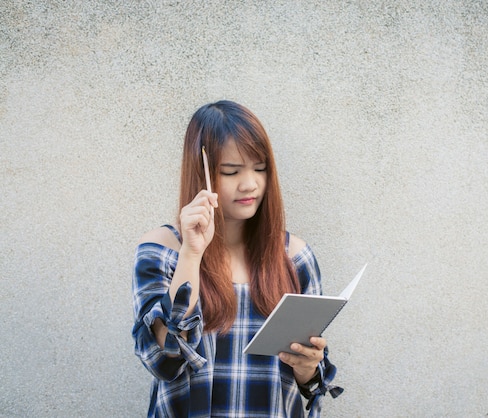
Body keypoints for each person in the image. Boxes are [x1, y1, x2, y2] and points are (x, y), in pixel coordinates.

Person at [132, 100, 342, 417]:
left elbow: (311, 383)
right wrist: (192, 252)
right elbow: (162, 359)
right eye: (231, 171)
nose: (250, 184)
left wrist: (308, 367)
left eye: (260, 169)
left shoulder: (295, 257)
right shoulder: (162, 249)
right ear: (201, 173)